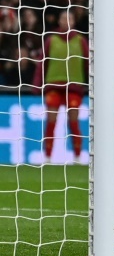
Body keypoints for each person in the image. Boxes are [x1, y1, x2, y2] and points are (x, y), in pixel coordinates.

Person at [33, 10, 88, 164]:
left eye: (69, 18)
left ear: (74, 21)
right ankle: (48, 156)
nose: (67, 21)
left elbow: (87, 63)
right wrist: (37, 84)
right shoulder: (51, 40)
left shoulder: (80, 40)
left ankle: (77, 157)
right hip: (54, 86)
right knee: (51, 121)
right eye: (64, 18)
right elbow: (42, 62)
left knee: (73, 122)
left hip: (74, 87)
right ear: (59, 21)